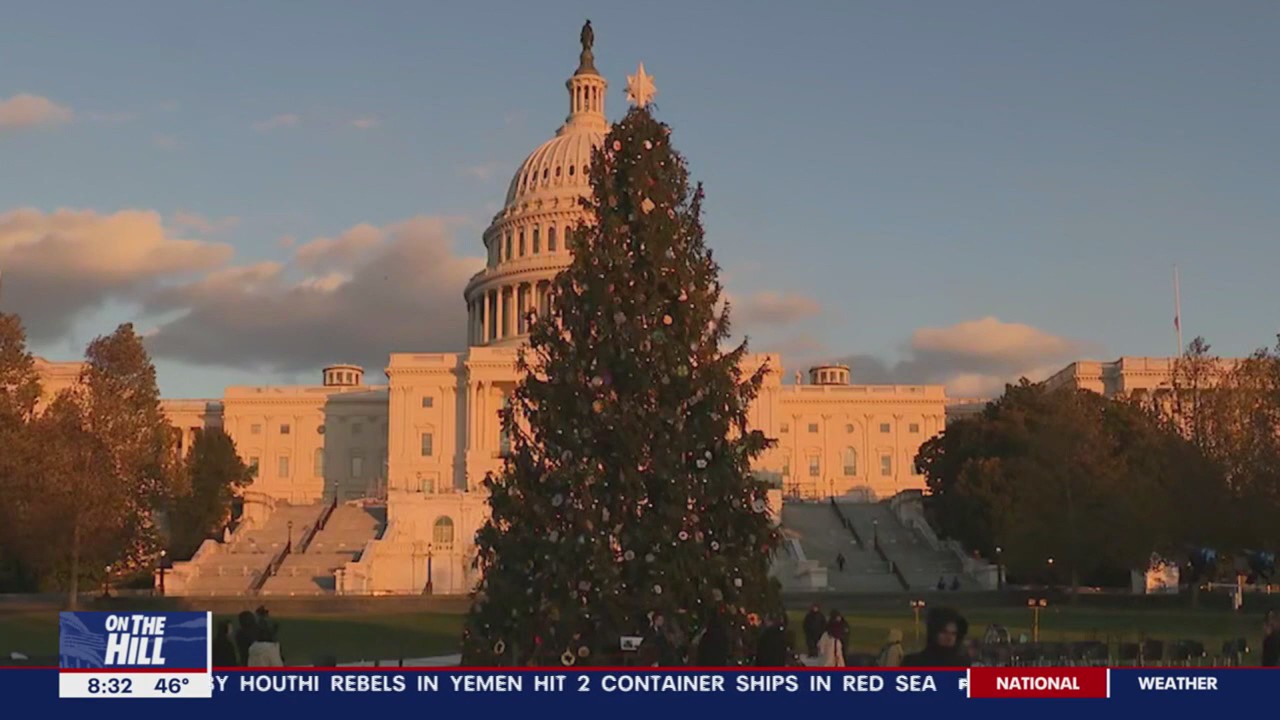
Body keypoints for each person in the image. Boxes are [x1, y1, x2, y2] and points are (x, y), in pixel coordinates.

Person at [902, 607, 970, 667]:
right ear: (933, 633)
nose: (949, 638)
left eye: (953, 633)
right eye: (944, 632)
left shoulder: (963, 664)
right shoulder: (913, 662)